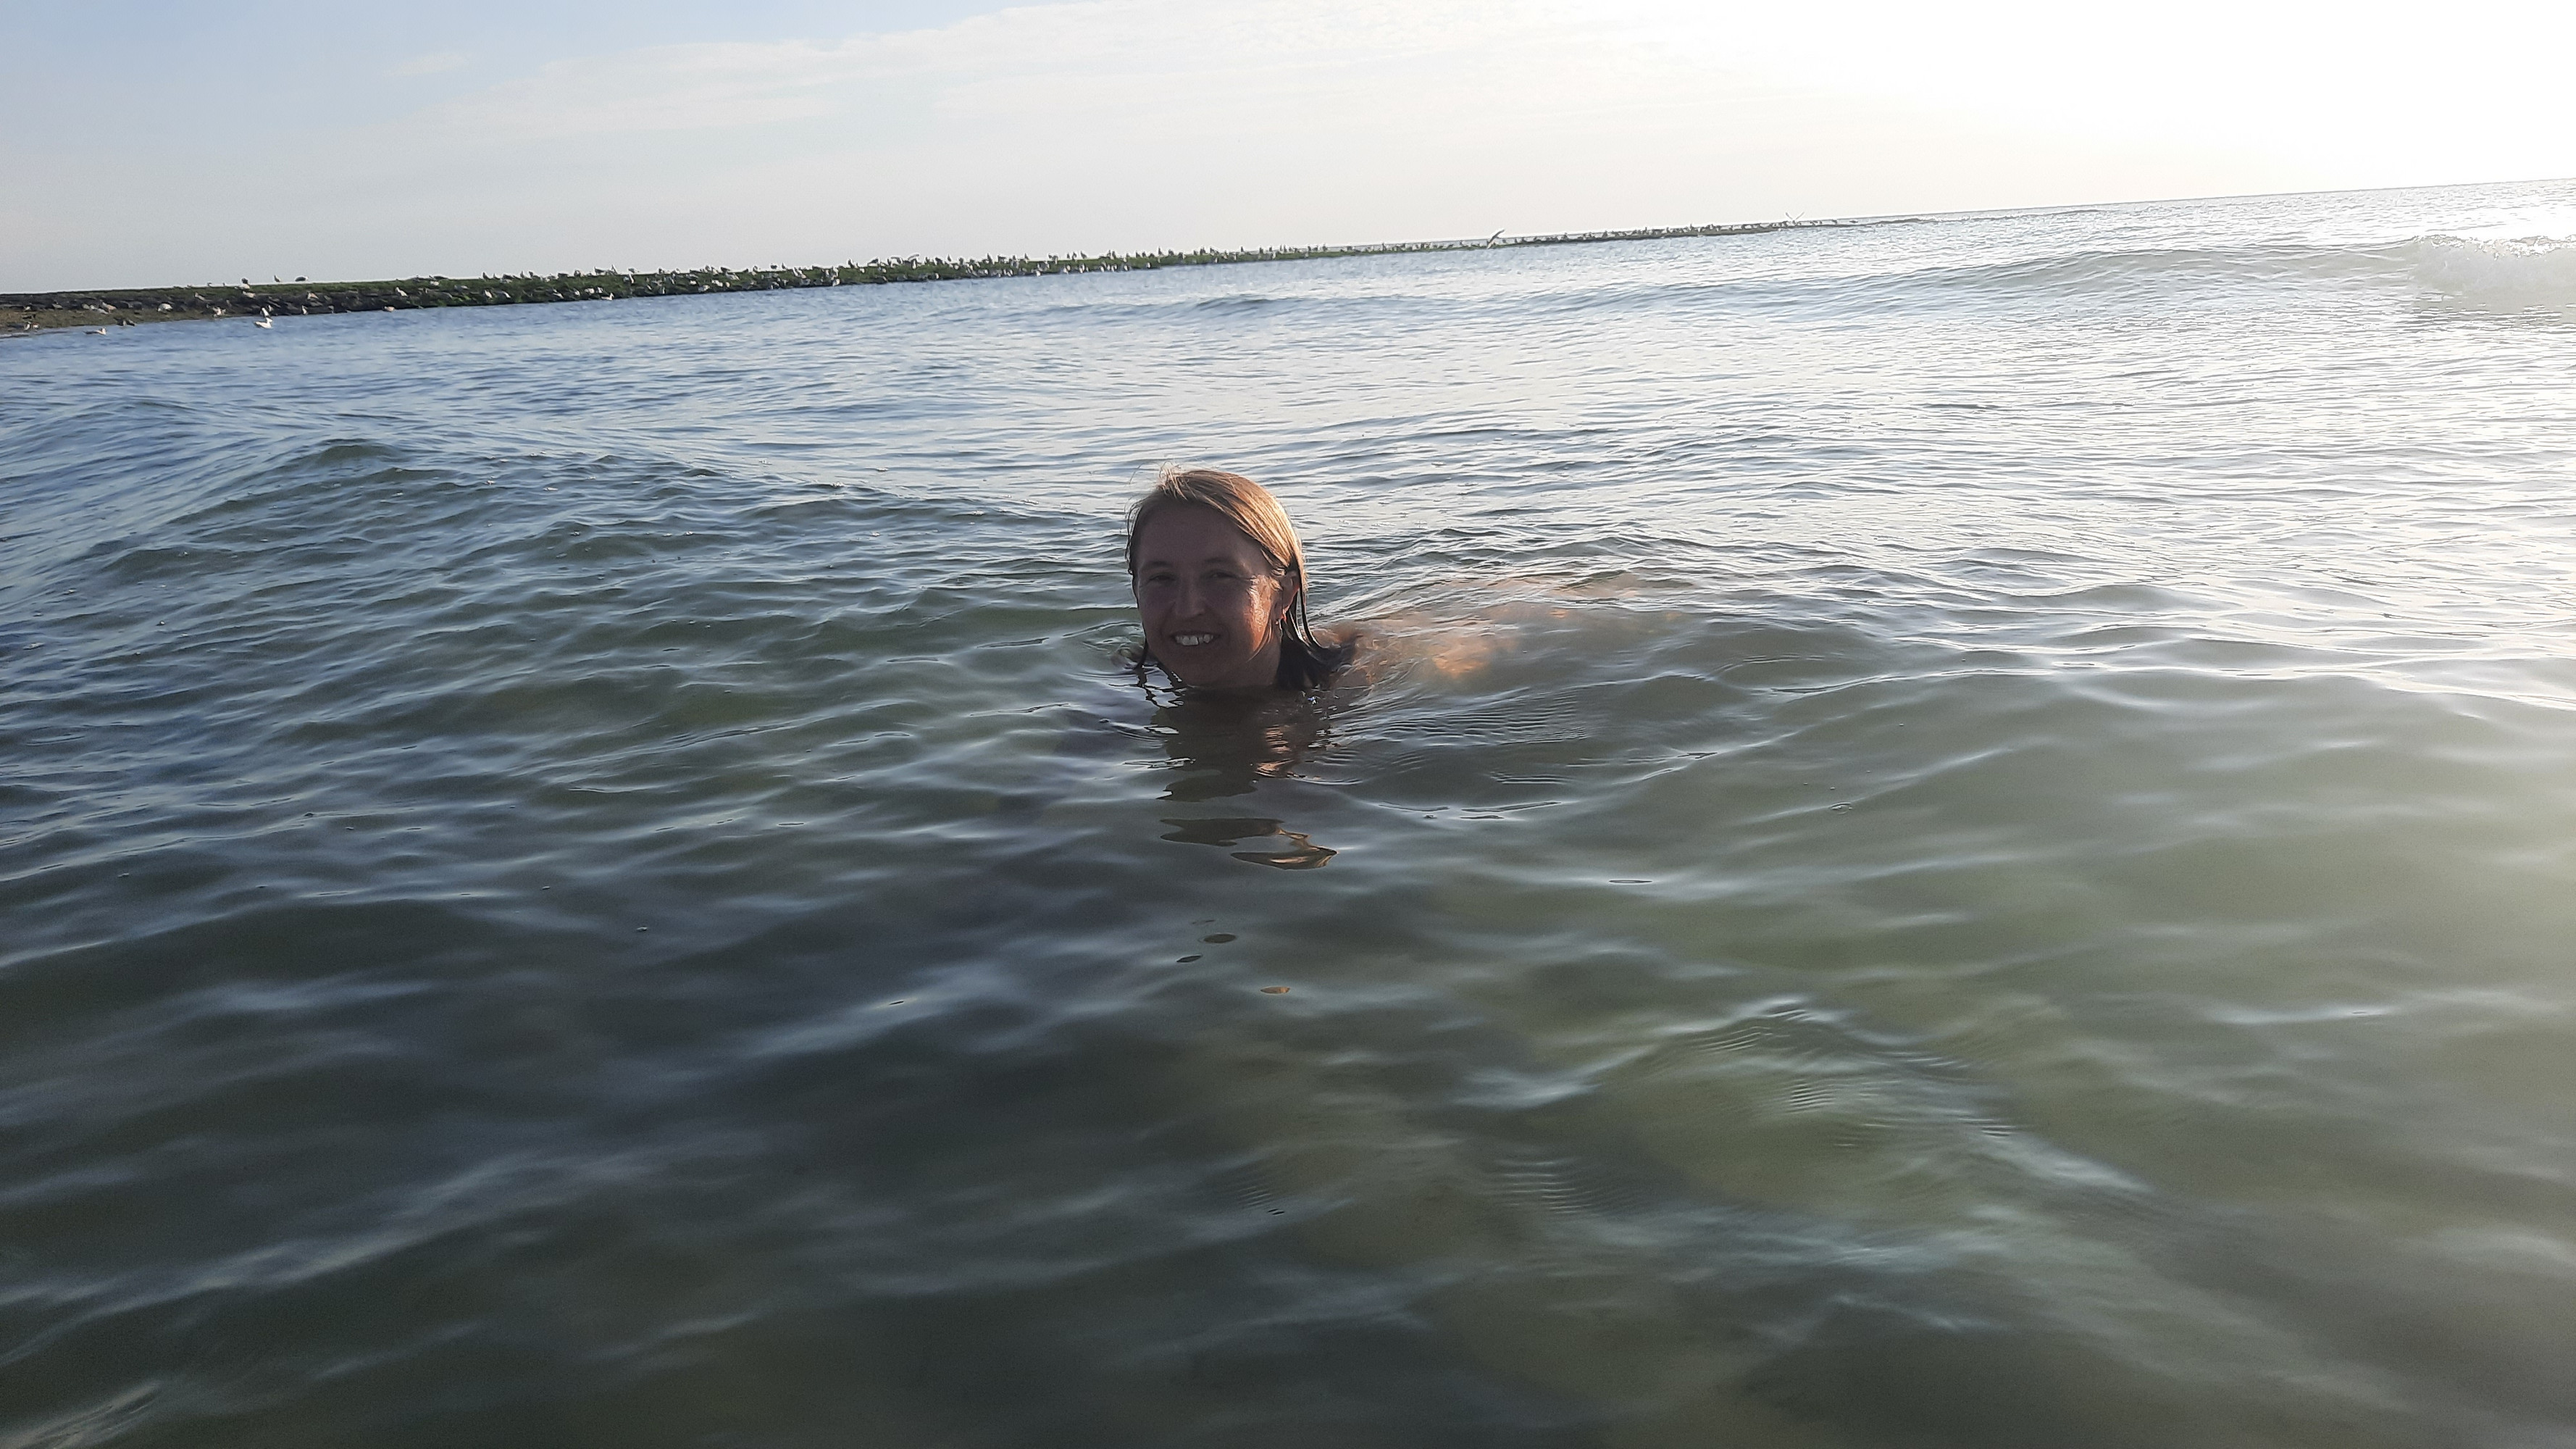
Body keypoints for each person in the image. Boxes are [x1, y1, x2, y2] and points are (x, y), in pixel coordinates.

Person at [1125, 466, 1354, 690]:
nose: (1187, 610)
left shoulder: (1351, 687)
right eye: (1162, 578)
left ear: (1283, 595)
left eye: (1219, 576)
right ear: (1137, 591)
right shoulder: (1126, 680)